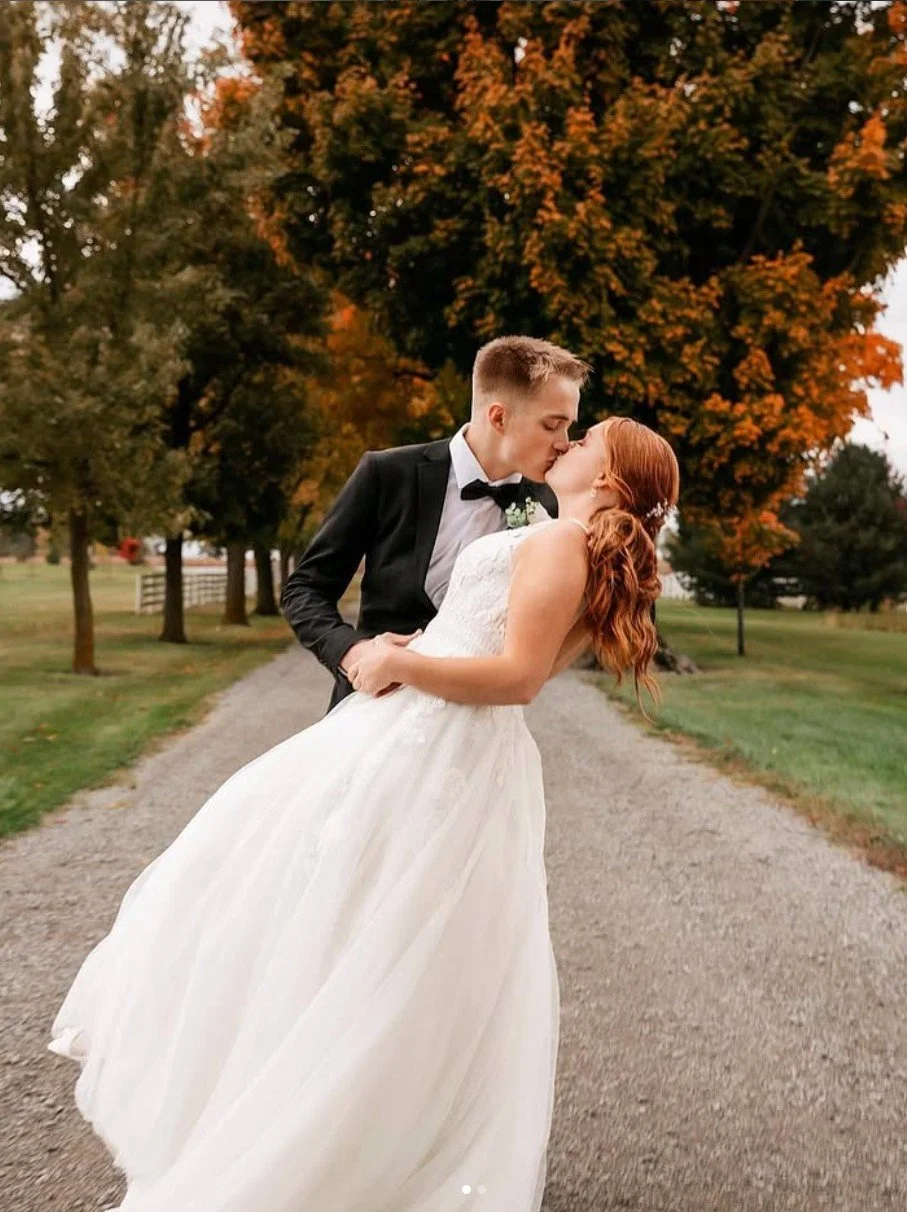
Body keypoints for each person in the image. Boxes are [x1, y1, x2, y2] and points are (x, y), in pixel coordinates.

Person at [47, 413, 680, 1212]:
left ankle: (308, 1130)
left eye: (584, 440)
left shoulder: (560, 542)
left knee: (334, 916)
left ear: (611, 478)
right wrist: (425, 645)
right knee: (365, 927)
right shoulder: (572, 546)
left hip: (434, 745)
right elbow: (490, 649)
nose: (567, 443)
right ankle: (318, 1109)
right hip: (434, 738)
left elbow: (518, 678)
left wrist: (395, 659)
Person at [280, 335, 590, 713]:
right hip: (368, 715)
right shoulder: (387, 474)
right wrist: (355, 652)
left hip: (472, 731)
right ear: (499, 416)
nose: (564, 443)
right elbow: (305, 589)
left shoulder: (552, 511)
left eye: (569, 427)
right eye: (552, 425)